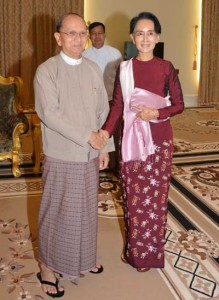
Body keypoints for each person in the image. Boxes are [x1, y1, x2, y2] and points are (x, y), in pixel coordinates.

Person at [34, 13, 114, 298]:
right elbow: (51, 115)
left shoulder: (92, 69)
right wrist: (88, 137)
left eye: (83, 33)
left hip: (90, 154)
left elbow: (102, 111)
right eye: (71, 33)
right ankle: (46, 267)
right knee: (56, 212)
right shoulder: (47, 71)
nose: (79, 39)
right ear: (58, 37)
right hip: (61, 155)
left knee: (85, 210)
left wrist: (104, 146)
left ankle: (83, 258)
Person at [100, 12, 184, 272]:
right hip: (132, 142)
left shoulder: (166, 67)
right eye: (140, 33)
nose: (145, 38)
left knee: (156, 199)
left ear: (157, 37)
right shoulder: (124, 69)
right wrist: (105, 133)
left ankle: (151, 254)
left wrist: (157, 113)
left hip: (159, 142)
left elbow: (179, 104)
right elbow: (117, 106)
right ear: (132, 38)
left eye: (150, 33)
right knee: (134, 197)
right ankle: (135, 252)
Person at [83, 22, 123, 174]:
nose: (97, 36)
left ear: (105, 35)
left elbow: (121, 79)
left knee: (114, 132)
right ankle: (94, 163)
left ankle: (116, 167)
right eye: (94, 33)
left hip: (112, 99)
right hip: (92, 102)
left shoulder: (115, 54)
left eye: (100, 33)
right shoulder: (84, 54)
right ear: (89, 36)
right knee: (95, 131)